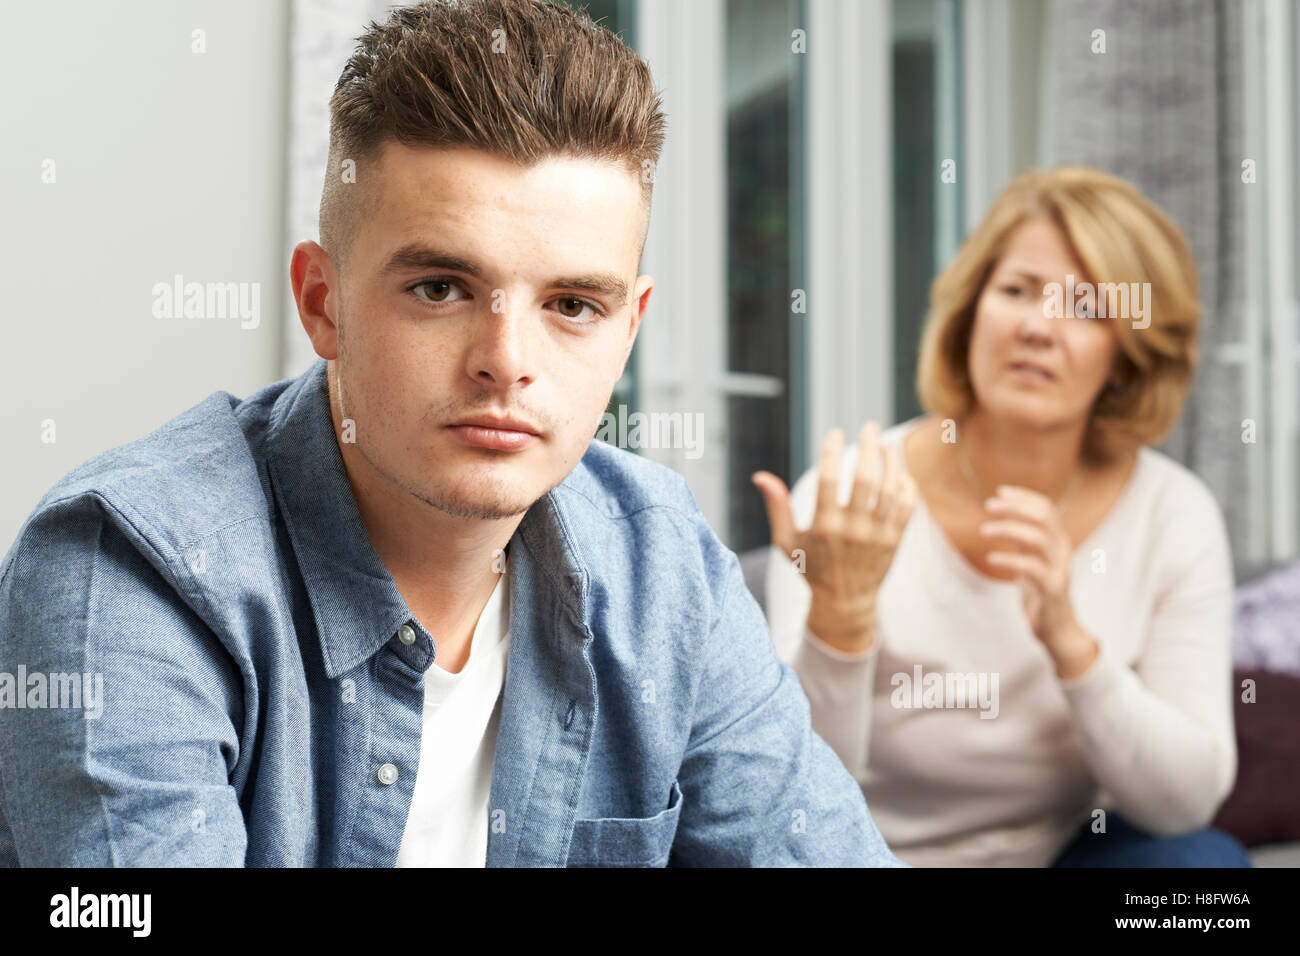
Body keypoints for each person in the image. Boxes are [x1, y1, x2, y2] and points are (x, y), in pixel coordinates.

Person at [0, 0, 902, 868]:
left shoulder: (661, 560)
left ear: (629, 330)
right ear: (323, 303)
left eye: (574, 305)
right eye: (440, 287)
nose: (506, 361)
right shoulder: (129, 569)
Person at [754, 165, 1251, 867]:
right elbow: (788, 798)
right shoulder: (847, 497)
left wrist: (1071, 642)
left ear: (1127, 356)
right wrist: (841, 617)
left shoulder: (1174, 514)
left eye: (1085, 305)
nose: (1038, 327)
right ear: (971, 314)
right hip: (863, 856)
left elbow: (1184, 802)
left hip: (1057, 856)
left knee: (1203, 868)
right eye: (1017, 290)